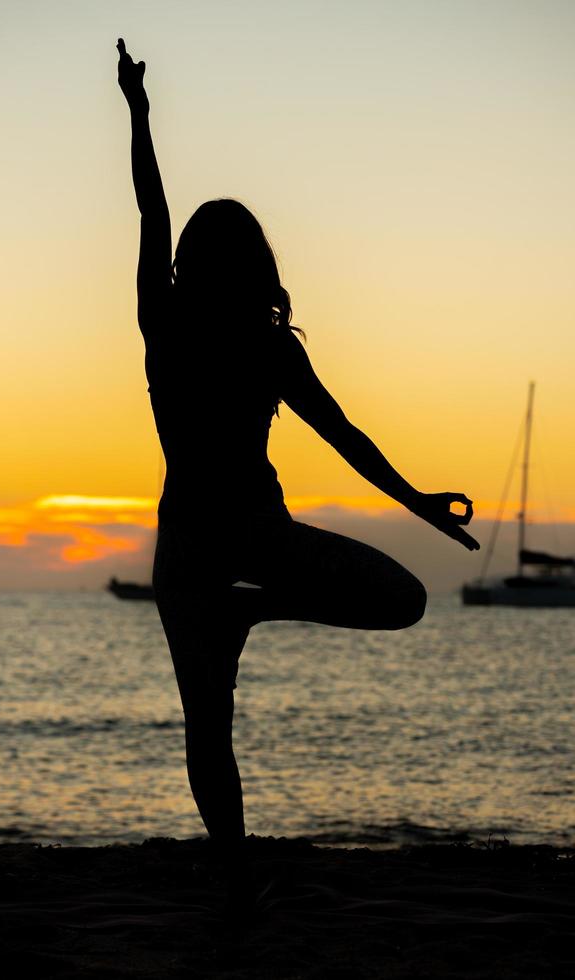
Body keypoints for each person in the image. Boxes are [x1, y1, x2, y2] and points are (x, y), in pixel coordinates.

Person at [116, 39, 479, 887]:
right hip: (221, 544)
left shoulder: (208, 333)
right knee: (212, 719)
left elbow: (344, 434)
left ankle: (251, 627)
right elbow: (152, 212)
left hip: (224, 541)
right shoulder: (187, 327)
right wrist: (415, 501)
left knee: (215, 721)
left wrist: (136, 111)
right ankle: (234, 862)